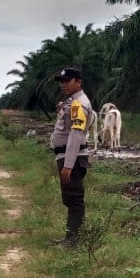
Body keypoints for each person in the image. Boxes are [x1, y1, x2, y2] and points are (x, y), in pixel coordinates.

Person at [49, 67, 94, 247]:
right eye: (61, 81)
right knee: (70, 198)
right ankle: (70, 237)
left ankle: (73, 240)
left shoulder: (78, 104)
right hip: (67, 156)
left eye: (67, 81)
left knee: (74, 199)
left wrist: (68, 165)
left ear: (78, 82)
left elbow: (76, 134)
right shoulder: (72, 102)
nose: (63, 84)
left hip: (72, 158)